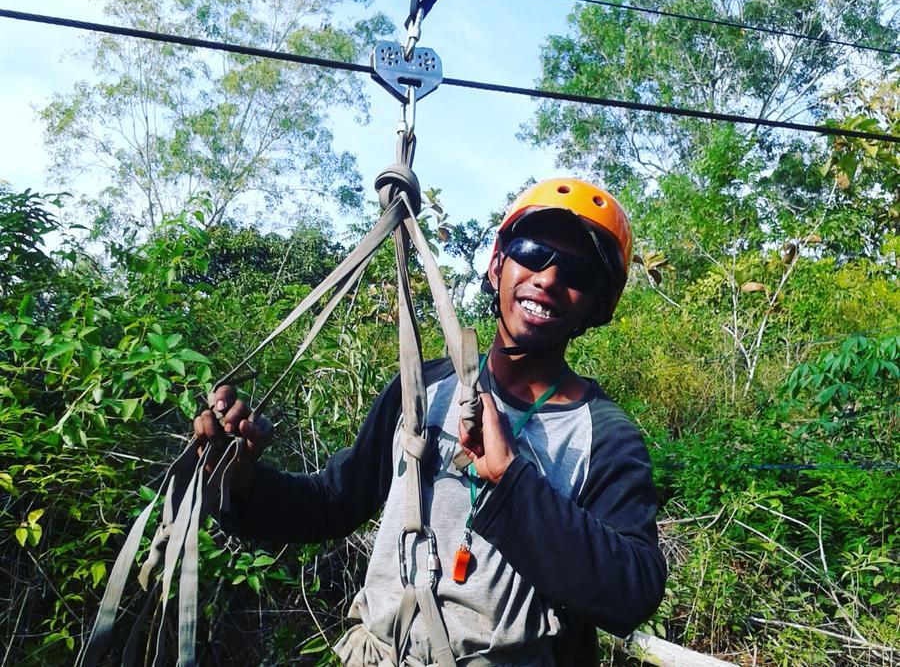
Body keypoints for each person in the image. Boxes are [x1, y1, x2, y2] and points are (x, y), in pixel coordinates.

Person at [194, 178, 666, 666]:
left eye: (576, 270)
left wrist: (512, 482)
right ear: (497, 263)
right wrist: (241, 478)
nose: (546, 278)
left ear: (599, 303)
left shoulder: (604, 435)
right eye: (532, 251)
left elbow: (633, 590)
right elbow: (336, 501)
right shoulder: (422, 387)